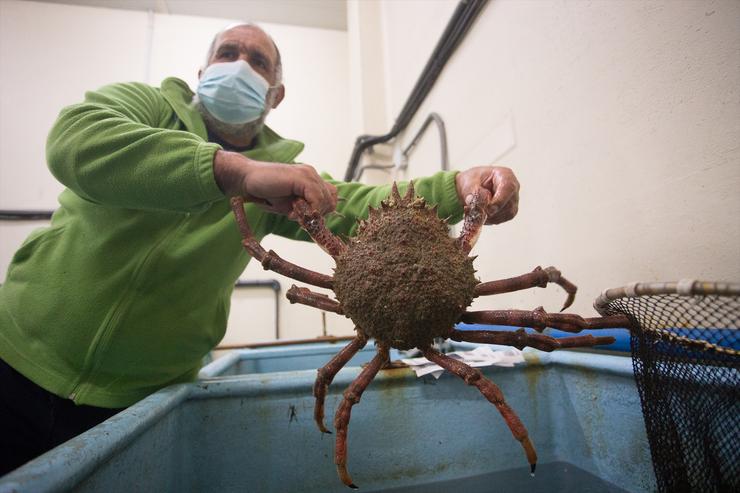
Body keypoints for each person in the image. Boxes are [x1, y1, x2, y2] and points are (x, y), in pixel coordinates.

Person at [0, 23, 520, 475]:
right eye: (227, 53)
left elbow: (362, 208)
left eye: (257, 61)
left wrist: (459, 188)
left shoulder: (285, 181)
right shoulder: (146, 107)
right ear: (202, 71)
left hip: (145, 400)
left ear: (276, 95)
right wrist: (233, 172)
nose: (239, 66)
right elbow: (77, 142)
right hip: (13, 359)